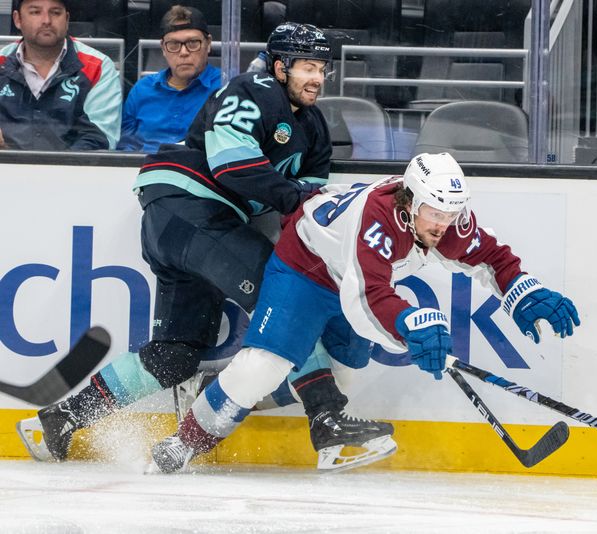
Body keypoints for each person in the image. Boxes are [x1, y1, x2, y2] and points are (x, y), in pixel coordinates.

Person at [17, 22, 395, 472]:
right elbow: (232, 165)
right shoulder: (251, 89)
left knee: (175, 354)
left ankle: (61, 419)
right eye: (307, 67)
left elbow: (304, 214)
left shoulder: (313, 128)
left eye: (321, 69)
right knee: (286, 296)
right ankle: (326, 416)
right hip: (186, 207)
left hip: (196, 230)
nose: (317, 77)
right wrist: (299, 199)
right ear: (279, 66)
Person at [149, 152, 581, 473]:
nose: (443, 225)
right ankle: (183, 443)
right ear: (410, 201)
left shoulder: (444, 219)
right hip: (304, 267)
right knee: (263, 365)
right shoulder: (377, 220)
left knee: (344, 374)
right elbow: (368, 299)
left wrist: (524, 292)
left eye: (451, 213)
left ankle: (231, 396)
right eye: (434, 212)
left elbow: (491, 258)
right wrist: (410, 325)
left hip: (349, 275)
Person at [0, 0, 121, 150]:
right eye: (35, 12)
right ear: (18, 19)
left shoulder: (98, 66)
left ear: (67, 19)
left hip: (75, 171)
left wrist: (56, 168)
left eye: (55, 12)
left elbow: (99, 139)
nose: (46, 21)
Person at [118, 6, 221, 153]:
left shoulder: (225, 87)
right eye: (174, 45)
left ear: (208, 43)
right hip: (144, 169)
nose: (184, 52)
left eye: (192, 43)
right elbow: (124, 147)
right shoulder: (142, 90)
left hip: (199, 171)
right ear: (163, 48)